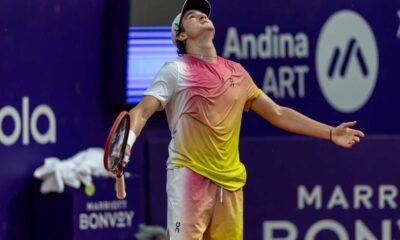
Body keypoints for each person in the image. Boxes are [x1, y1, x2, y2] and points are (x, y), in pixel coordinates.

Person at [123, 0, 365, 239]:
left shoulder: (237, 72)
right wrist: (126, 144)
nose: (201, 16)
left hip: (231, 184)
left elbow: (278, 113)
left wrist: (331, 132)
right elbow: (143, 111)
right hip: (189, 176)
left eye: (203, 14)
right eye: (191, 16)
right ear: (182, 36)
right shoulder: (175, 70)